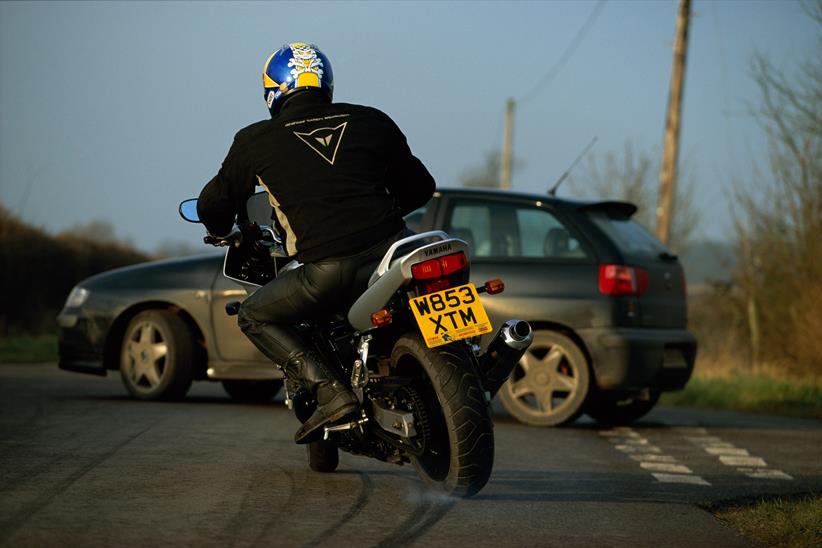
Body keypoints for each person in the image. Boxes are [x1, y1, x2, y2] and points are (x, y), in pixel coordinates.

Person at [197, 42, 435, 444]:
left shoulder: (255, 140)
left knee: (254, 314)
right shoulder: (372, 120)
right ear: (325, 83)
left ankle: (331, 392)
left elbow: (213, 205)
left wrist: (224, 227)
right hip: (396, 252)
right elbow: (421, 187)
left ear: (273, 90)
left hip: (328, 269)